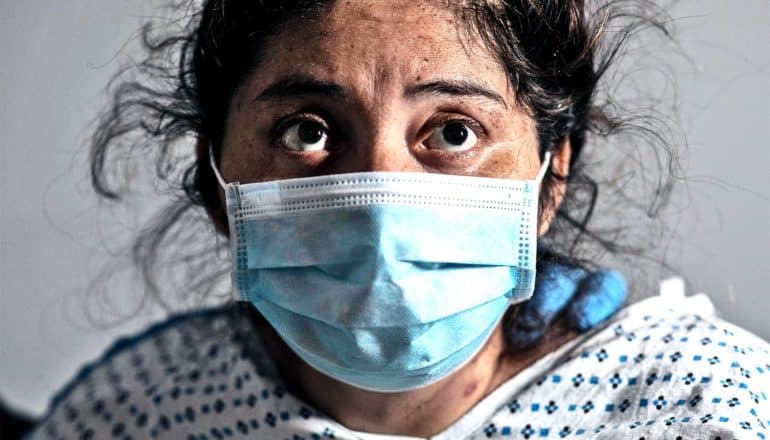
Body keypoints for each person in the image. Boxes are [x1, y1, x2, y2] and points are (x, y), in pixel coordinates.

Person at [23, 1, 769, 439]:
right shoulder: (139, 412)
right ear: (217, 175)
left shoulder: (700, 404)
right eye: (307, 131)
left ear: (551, 178)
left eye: (452, 134)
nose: (378, 198)